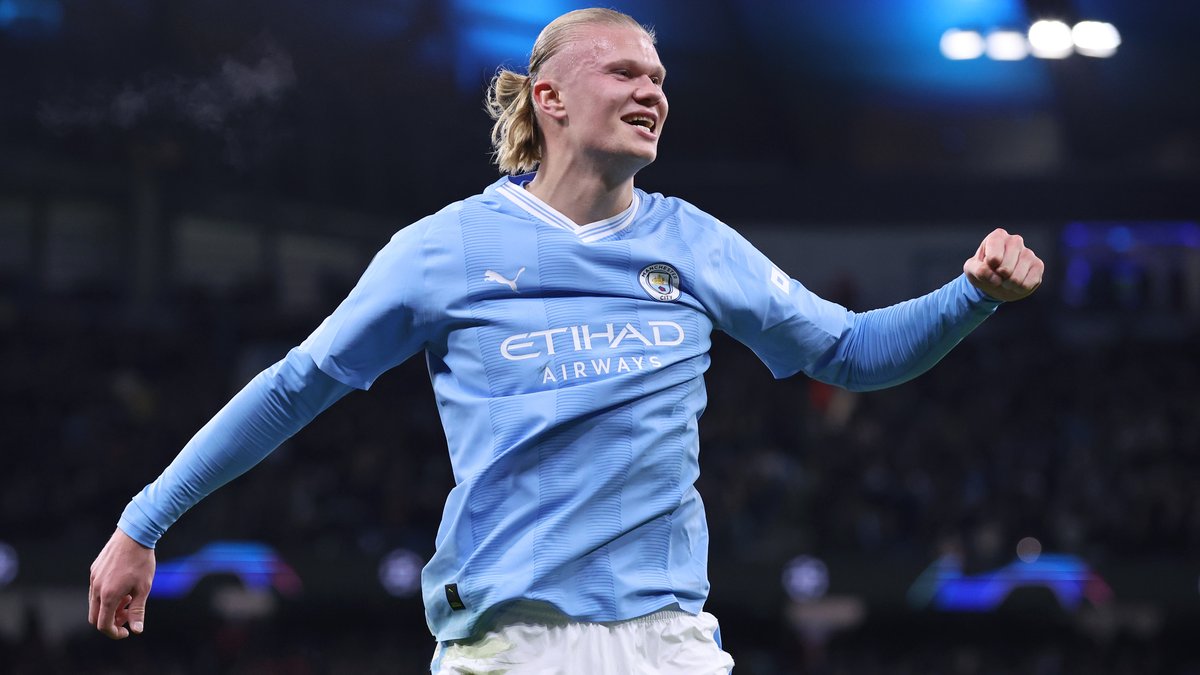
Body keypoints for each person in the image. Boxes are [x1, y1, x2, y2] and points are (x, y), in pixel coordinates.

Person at [88, 7, 1044, 673]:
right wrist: (143, 523)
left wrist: (971, 295)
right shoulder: (444, 250)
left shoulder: (693, 242)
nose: (652, 91)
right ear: (549, 97)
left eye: (659, 78)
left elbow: (853, 352)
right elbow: (296, 385)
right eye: (625, 72)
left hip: (667, 640)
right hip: (510, 644)